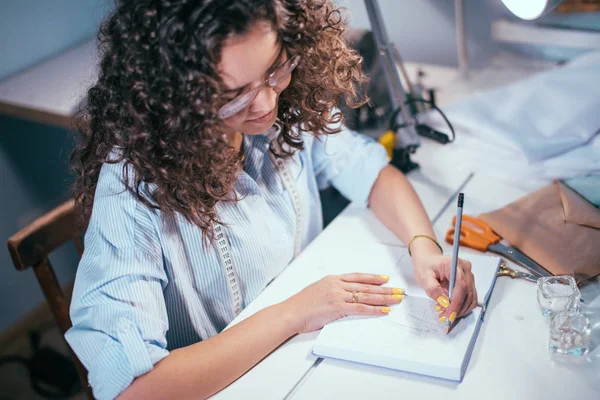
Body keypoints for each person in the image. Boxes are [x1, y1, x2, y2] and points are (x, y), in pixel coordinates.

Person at [67, 1, 477, 399]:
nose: (265, 104)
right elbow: (132, 389)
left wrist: (424, 247)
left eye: (274, 70)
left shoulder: (284, 114)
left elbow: (370, 172)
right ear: (176, 97)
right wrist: (293, 313)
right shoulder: (131, 191)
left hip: (305, 359)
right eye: (234, 94)